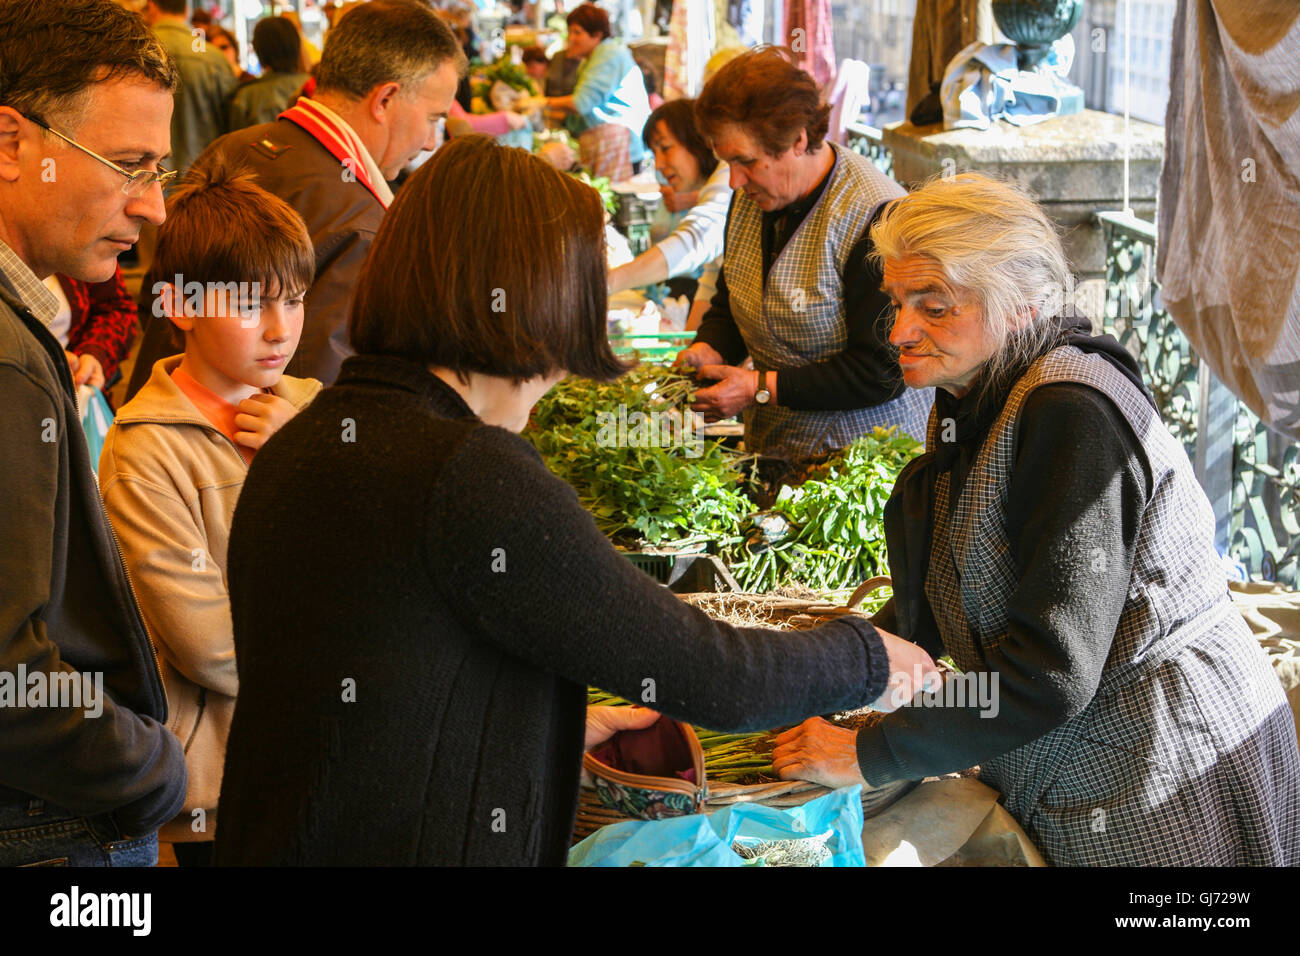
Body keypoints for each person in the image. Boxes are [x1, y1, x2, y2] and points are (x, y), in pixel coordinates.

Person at [212, 135, 939, 866]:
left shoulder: (306, 443)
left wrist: (546, 730)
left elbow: (383, 687)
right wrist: (868, 655)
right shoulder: (467, 473)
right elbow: (713, 674)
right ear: (537, 302)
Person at [772, 174, 1300, 866]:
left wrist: (871, 754)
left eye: (934, 307)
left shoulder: (1068, 412)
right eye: (898, 303)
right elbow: (942, 591)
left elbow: (1051, 670)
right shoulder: (978, 391)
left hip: (1157, 768)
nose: (901, 331)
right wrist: (810, 672)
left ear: (1018, 306)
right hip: (1087, 759)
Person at [0, 0, 187, 867]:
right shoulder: (7, 359)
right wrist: (150, 769)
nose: (151, 207)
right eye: (127, 166)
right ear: (12, 144)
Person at [99, 161, 320, 867]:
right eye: (253, 305)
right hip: (220, 794)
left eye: (295, 300)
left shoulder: (317, 411)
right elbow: (210, 646)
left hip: (323, 762)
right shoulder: (144, 452)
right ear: (183, 305)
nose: (280, 330)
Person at [128, 0, 466, 394]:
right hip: (233, 448)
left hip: (155, 409)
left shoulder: (234, 147)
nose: (429, 143)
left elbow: (155, 297)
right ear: (385, 99)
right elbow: (319, 401)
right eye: (433, 119)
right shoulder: (360, 221)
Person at [675, 48, 933, 464]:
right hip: (777, 449)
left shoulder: (874, 216)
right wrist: (710, 347)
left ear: (797, 140)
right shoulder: (751, 197)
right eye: (727, 163)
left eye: (745, 162)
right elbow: (734, 298)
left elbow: (882, 371)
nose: (734, 180)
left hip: (860, 464)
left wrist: (759, 386)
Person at [607, 99, 731, 331]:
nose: (659, 165)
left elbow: (694, 242)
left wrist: (607, 282)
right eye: (654, 153)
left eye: (665, 148)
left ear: (698, 141)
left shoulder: (729, 175)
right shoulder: (714, 183)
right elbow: (712, 276)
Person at [544, 3, 650, 181]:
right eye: (570, 32)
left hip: (620, 145)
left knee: (612, 203)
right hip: (605, 143)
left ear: (597, 35)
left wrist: (541, 103)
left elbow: (581, 103)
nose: (571, 38)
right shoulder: (592, 58)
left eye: (577, 32)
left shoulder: (610, 54)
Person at [144, 0, 238, 175]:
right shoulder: (213, 58)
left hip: (150, 179)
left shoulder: (135, 51)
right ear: (187, 11)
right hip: (204, 179)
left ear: (152, 6)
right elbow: (232, 126)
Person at [43, 264, 139, 395]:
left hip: (76, 392)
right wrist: (40, 357)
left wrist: (93, 353)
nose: (133, 241)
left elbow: (116, 308)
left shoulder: (87, 252)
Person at [227, 17, 311, 130]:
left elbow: (236, 144)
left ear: (258, 49)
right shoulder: (316, 86)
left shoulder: (246, 98)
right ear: (297, 45)